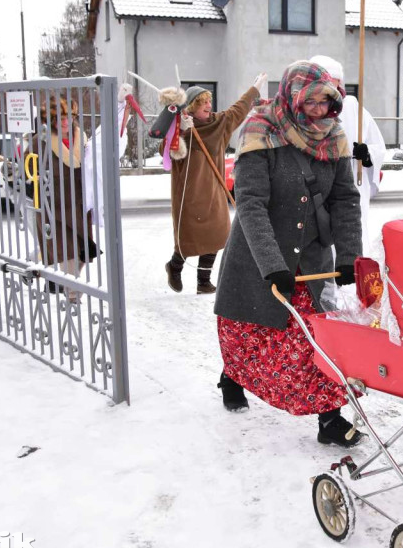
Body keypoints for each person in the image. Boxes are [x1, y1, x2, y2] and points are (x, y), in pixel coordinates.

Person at [213, 60, 364, 448]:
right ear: (293, 97)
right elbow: (250, 204)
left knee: (317, 342)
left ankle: (329, 418)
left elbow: (346, 199)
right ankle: (233, 375)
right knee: (251, 335)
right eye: (311, 103)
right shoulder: (261, 132)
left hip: (311, 262)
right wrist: (272, 265)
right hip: (260, 260)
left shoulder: (333, 137)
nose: (319, 111)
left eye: (326, 103)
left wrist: (350, 257)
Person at [163, 75, 266, 294]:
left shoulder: (219, 123)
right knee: (189, 238)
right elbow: (167, 153)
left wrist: (254, 88)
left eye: (209, 102)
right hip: (190, 192)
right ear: (191, 108)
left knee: (218, 234)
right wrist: (182, 131)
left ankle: (203, 281)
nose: (209, 106)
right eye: (203, 103)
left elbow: (239, 109)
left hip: (214, 189)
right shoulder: (181, 127)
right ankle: (175, 266)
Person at [308, 55, 386, 249]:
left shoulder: (352, 107)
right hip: (316, 189)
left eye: (335, 85)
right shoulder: (307, 110)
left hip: (350, 186)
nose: (332, 91)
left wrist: (366, 154)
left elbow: (378, 146)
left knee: (349, 238)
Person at [27, 96, 98, 301]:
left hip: (78, 204)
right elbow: (27, 167)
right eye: (60, 118)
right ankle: (73, 295)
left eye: (69, 117)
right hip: (54, 206)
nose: (66, 122)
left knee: (84, 251)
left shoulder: (82, 138)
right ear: (50, 120)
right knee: (67, 252)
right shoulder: (39, 141)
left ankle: (39, 265)